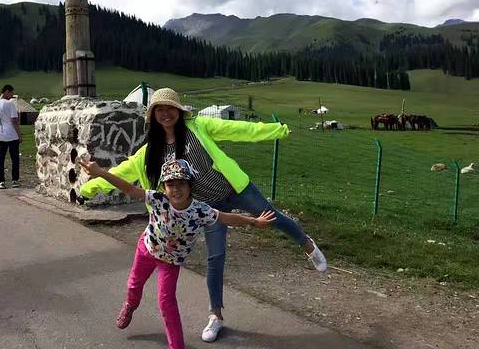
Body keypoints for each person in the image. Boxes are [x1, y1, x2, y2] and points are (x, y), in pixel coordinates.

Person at [80, 88, 327, 343]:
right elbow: (123, 174)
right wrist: (90, 187)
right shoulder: (150, 152)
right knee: (215, 257)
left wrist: (276, 130)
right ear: (152, 116)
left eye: (170, 108)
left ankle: (307, 244)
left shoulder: (198, 127)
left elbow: (239, 129)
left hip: (235, 189)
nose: (165, 114)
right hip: (209, 206)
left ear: (178, 110)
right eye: (159, 110)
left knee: (272, 216)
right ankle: (215, 316)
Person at [81, 158, 276, 349]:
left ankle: (177, 345)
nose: (176, 189)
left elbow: (225, 218)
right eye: (170, 184)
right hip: (147, 249)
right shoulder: (158, 199)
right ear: (163, 187)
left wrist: (254, 221)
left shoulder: (200, 211)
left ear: (190, 186)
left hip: (170, 262)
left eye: (181, 184)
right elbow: (130, 189)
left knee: (166, 303)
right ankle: (131, 305)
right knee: (134, 285)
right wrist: (101, 173)